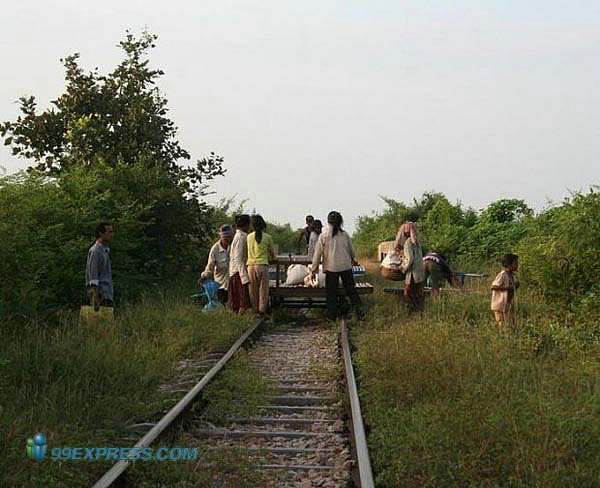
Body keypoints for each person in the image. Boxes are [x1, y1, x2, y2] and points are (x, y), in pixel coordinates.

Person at [310, 211, 364, 321]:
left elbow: (317, 254)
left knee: (331, 294)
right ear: (340, 222)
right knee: (351, 291)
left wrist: (313, 269)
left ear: (328, 222)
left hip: (331, 269)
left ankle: (331, 317)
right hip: (346, 267)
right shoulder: (345, 235)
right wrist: (353, 260)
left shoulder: (323, 235)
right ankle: (360, 313)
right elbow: (351, 251)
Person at [247, 215, 276, 315]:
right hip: (262, 265)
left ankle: (254, 310)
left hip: (250, 266)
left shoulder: (248, 237)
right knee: (263, 290)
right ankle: (262, 311)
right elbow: (273, 255)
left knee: (253, 290)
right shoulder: (267, 237)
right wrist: (274, 259)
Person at [200, 224, 234, 304]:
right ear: (221, 237)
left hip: (233, 284)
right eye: (225, 238)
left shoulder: (234, 246)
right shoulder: (215, 249)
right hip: (221, 285)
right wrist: (204, 276)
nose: (228, 240)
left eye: (230, 237)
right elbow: (210, 266)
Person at [397, 222, 425, 313]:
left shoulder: (408, 242)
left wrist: (402, 268)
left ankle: (409, 312)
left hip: (412, 273)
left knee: (408, 292)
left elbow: (410, 259)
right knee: (418, 292)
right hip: (420, 272)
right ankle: (420, 311)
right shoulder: (417, 242)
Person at [86, 222, 114, 309]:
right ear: (101, 233)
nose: (112, 235)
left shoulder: (105, 250)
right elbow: (93, 277)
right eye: (109, 232)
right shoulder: (96, 251)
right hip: (100, 296)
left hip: (107, 294)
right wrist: (95, 299)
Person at [228, 214, 252, 313]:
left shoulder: (241, 236)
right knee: (241, 301)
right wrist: (244, 276)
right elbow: (238, 258)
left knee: (240, 300)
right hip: (238, 272)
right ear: (246, 225)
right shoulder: (241, 237)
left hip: (238, 271)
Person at [491, 253, 520, 326]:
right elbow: (493, 287)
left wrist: (516, 286)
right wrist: (509, 288)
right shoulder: (502, 275)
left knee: (511, 323)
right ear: (509, 264)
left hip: (508, 304)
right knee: (502, 325)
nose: (517, 265)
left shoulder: (512, 275)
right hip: (500, 305)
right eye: (515, 263)